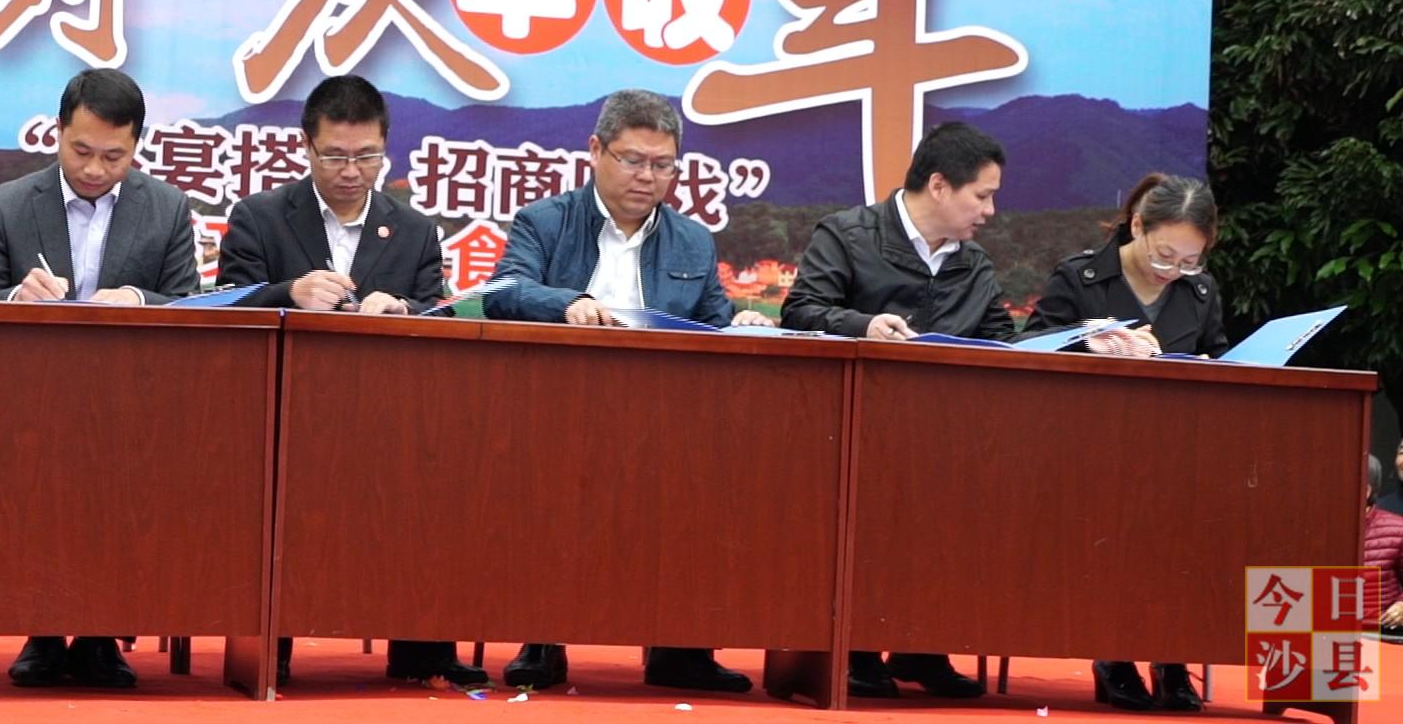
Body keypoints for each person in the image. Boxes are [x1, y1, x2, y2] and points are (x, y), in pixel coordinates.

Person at [484, 89, 768, 695]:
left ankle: (682, 647)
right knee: (547, 476)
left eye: (662, 165)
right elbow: (503, 291)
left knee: (711, 473)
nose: (647, 177)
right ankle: (542, 639)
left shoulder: (693, 240)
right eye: (633, 160)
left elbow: (711, 323)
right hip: (558, 407)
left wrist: (741, 322)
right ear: (596, 151)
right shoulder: (546, 221)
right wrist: (570, 303)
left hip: (668, 416)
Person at [217, 74, 483, 687]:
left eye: (367, 156)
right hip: (283, 415)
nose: (351, 171)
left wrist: (404, 309)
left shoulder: (413, 229)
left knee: (431, 473)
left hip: (390, 418)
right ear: (306, 146)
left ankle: (420, 651)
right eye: (335, 156)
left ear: (385, 146)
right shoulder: (260, 217)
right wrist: (289, 291)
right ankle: (271, 648)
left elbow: (438, 310)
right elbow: (228, 303)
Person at [0, 67, 200, 688]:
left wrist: (137, 300)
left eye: (113, 156)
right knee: (32, 480)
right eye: (81, 150)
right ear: (58, 132)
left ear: (137, 145)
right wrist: (17, 296)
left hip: (132, 402)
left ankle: (101, 636)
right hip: (27, 401)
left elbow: (189, 304)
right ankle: (40, 632)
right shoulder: (11, 204)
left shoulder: (167, 208)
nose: (94, 169)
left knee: (129, 481)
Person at [780, 120, 1006, 700]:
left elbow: (1002, 340)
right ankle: (855, 649)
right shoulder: (847, 235)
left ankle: (922, 645)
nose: (990, 211)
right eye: (982, 196)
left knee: (959, 515)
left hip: (947, 433)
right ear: (939, 185)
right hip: (852, 430)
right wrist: (863, 325)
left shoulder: (974, 263)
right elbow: (801, 310)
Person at [1019, 172, 1222, 711]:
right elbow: (1027, 346)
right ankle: (1114, 655)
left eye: (1189, 261)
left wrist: (1209, 366)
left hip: (1172, 450)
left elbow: (1216, 354)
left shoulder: (1200, 292)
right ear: (1137, 226)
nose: (1172, 271)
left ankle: (1172, 657)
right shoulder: (1082, 276)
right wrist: (1090, 344)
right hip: (1085, 449)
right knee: (1113, 518)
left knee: (1190, 523)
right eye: (1163, 255)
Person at [1365, 446, 1403, 641]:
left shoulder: (1397, 529)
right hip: (1324, 634)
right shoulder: (1316, 530)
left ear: (1366, 490)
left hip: (1380, 635)